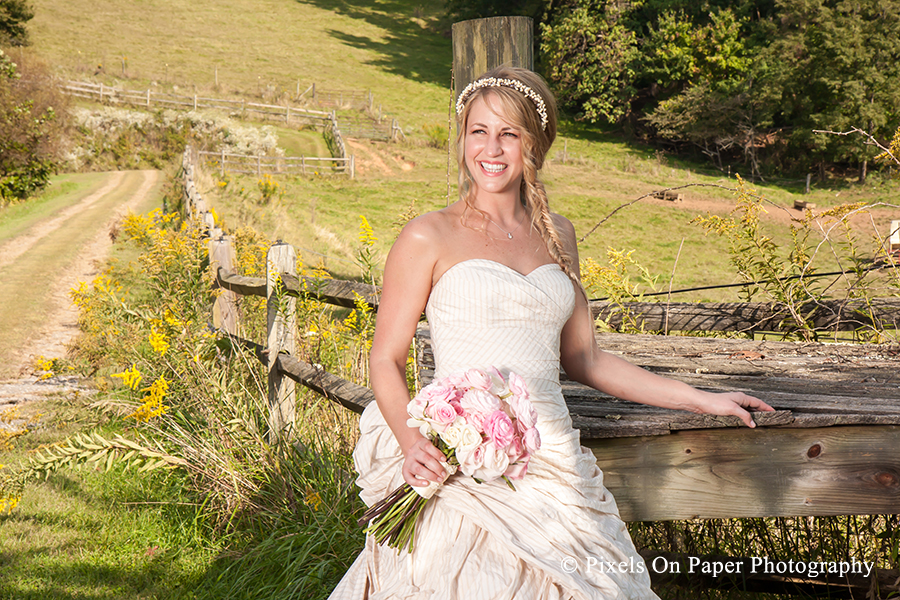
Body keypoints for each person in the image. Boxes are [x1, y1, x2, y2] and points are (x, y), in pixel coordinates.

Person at [328, 66, 774, 600]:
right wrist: (411, 440)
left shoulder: (557, 232)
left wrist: (702, 400)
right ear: (462, 138)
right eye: (478, 131)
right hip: (463, 463)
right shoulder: (429, 234)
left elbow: (586, 359)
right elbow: (385, 357)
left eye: (509, 133)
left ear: (534, 144)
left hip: (553, 456)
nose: (491, 148)